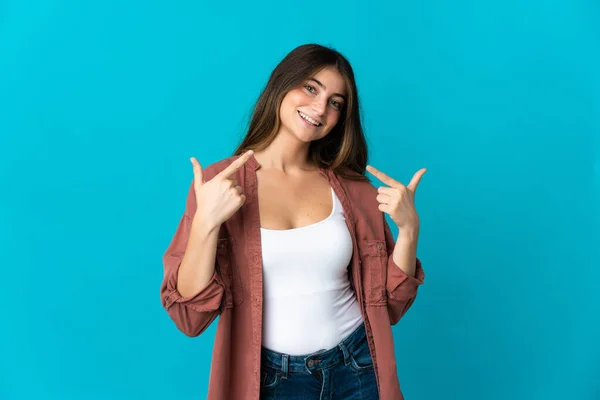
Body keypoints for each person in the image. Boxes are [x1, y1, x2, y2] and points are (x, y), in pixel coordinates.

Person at [160, 43, 426, 400]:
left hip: (358, 367)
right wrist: (206, 223)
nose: (320, 108)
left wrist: (408, 231)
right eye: (311, 88)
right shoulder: (220, 184)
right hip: (272, 380)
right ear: (281, 85)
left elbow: (389, 306)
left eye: (335, 102)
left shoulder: (352, 187)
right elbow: (189, 316)